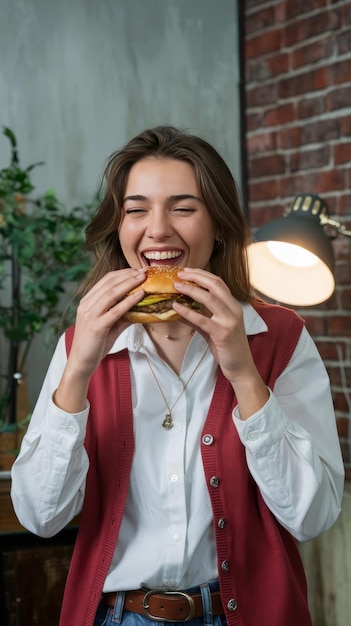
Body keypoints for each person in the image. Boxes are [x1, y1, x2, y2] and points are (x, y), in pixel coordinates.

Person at [11, 125, 344, 626]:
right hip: (117, 616)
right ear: (117, 227)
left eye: (183, 208)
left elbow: (311, 516)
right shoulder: (81, 345)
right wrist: (81, 366)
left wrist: (243, 371)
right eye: (136, 209)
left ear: (220, 227)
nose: (158, 229)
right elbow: (41, 517)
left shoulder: (280, 337)